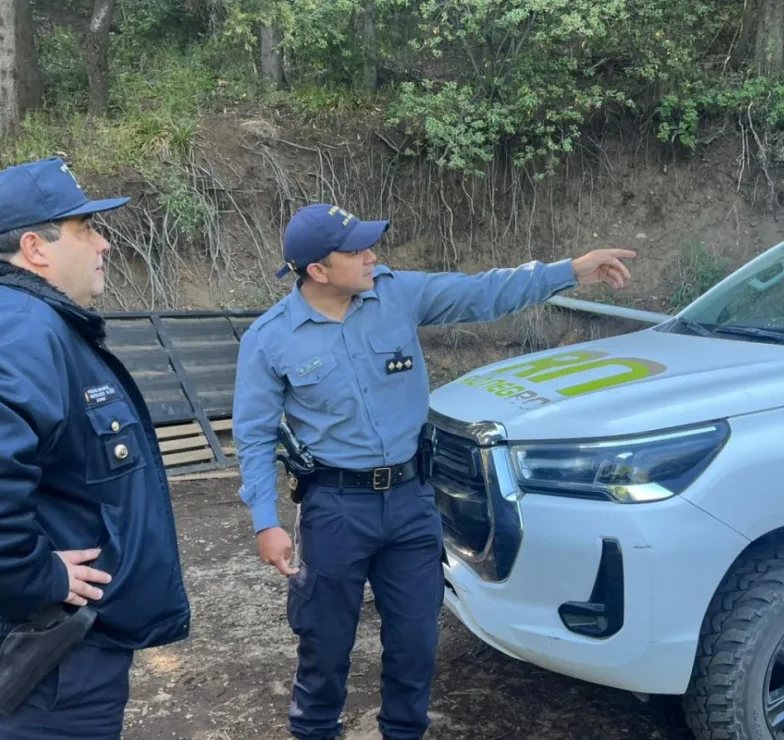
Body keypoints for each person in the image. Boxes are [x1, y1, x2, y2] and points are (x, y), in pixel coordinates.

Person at [232, 202, 636, 740]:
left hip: (410, 502)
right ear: (318, 271)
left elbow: (483, 292)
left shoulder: (396, 293)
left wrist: (571, 270)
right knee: (323, 644)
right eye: (355, 250)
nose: (371, 255)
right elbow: (255, 434)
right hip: (335, 510)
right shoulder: (270, 339)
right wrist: (266, 520)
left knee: (417, 640)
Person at [0, 157, 192, 740]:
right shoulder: (18, 326)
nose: (104, 243)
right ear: (35, 247)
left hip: (24, 654)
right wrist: (34, 578)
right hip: (38, 664)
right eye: (86, 229)